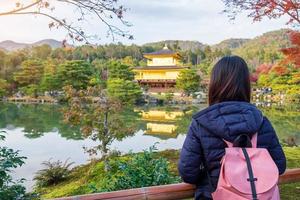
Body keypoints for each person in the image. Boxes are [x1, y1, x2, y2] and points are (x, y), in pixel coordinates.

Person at [178, 56, 286, 200]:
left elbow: (188, 173)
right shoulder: (261, 121)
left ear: (214, 84)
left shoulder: (201, 123)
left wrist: (213, 174)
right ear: (246, 85)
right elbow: (279, 166)